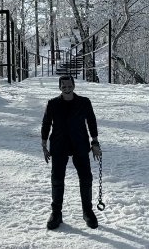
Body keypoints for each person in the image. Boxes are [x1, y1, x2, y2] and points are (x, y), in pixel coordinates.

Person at [40, 74, 102, 230]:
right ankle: (56, 213)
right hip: (59, 145)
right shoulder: (52, 104)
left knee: (86, 178)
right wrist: (44, 144)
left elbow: (91, 121)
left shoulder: (84, 102)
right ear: (59, 87)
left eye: (69, 86)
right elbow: (46, 123)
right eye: (64, 86)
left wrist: (95, 142)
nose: (67, 89)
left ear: (74, 86)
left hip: (80, 144)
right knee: (57, 179)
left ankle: (87, 211)